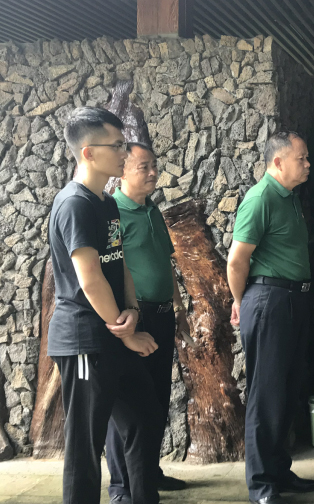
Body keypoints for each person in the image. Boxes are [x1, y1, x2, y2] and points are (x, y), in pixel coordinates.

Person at [47, 107, 161, 504]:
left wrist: (132, 310)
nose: (124, 153)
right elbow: (90, 278)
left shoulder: (107, 203)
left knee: (144, 417)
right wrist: (125, 332)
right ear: (89, 153)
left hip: (114, 333)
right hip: (85, 340)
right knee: (85, 445)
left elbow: (118, 262)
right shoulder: (74, 204)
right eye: (116, 146)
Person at [227, 131, 314, 504]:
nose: (308, 164)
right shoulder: (260, 198)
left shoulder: (289, 197)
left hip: (292, 300)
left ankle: (279, 471)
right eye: (302, 158)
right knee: (266, 395)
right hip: (269, 300)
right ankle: (262, 485)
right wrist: (241, 302)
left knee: (286, 390)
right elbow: (237, 260)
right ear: (278, 162)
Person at [105, 142, 191, 503]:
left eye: (154, 165)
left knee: (156, 398)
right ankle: (122, 486)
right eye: (144, 167)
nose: (154, 172)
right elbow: (109, 269)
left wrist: (179, 307)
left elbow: (165, 262)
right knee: (129, 406)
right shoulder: (113, 214)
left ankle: (148, 474)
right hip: (135, 319)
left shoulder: (152, 210)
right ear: (123, 171)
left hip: (163, 315)